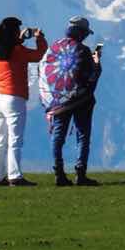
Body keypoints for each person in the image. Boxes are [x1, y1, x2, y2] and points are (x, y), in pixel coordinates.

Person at [0, 17, 46, 186]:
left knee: (0, 138)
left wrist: (20, 39)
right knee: (15, 139)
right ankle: (15, 175)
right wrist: (39, 37)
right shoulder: (18, 51)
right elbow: (39, 55)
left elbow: (7, 46)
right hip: (15, 98)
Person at [44, 16, 103, 186]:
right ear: (81, 33)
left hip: (58, 100)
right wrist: (97, 63)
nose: (85, 37)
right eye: (85, 33)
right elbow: (91, 75)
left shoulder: (53, 48)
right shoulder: (83, 51)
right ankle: (80, 173)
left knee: (58, 135)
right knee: (82, 135)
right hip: (81, 99)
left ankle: (59, 173)